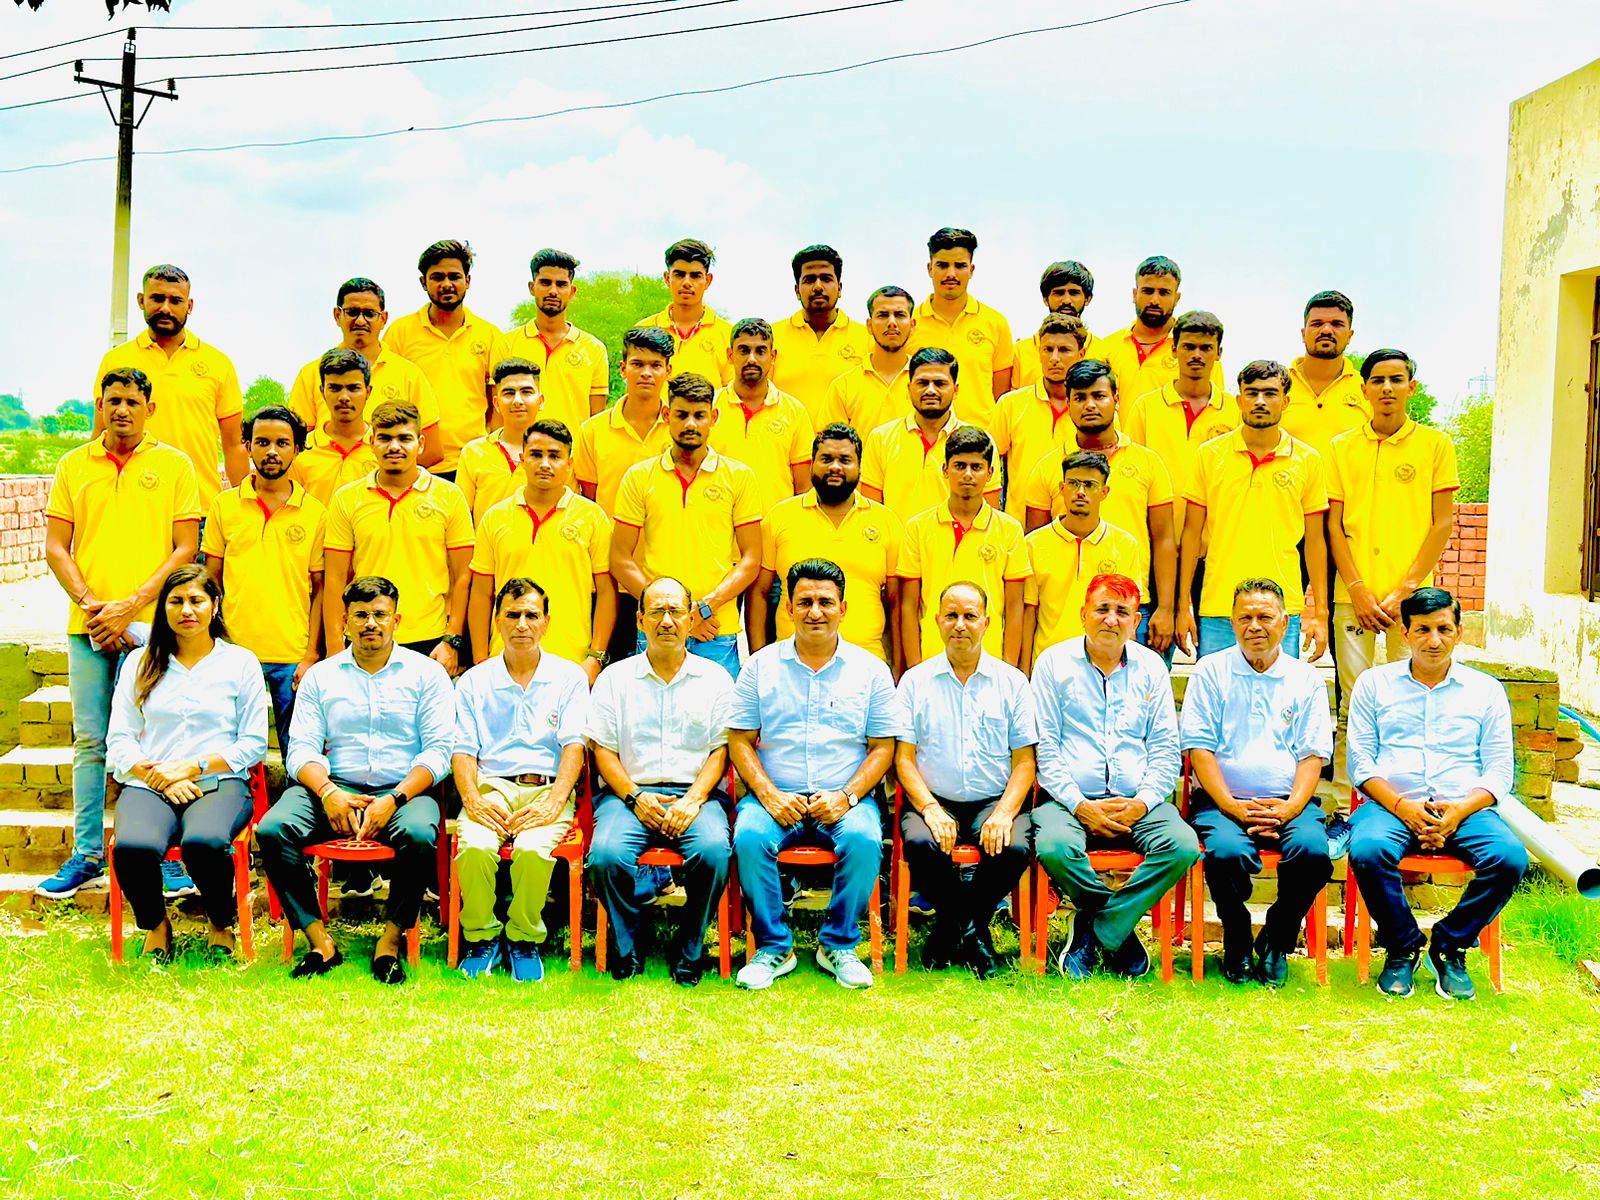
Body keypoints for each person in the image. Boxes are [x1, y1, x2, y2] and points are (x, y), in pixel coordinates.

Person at [38, 367, 201, 901]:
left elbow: (185, 548)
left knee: (163, 738)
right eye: (113, 401)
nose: (122, 410)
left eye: (132, 401)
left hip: (154, 629)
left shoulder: (175, 465)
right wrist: (93, 607)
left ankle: (168, 856)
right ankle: (86, 854)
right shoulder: (73, 465)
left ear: (149, 408)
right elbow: (56, 546)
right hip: (87, 627)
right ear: (100, 406)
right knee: (90, 741)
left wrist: (130, 606)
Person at [258, 576, 455, 984]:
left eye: (380, 614)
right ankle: (320, 942)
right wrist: (328, 791)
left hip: (401, 790)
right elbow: (300, 750)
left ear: (396, 620)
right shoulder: (321, 676)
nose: (370, 623)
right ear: (345, 622)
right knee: (274, 829)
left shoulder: (427, 675)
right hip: (333, 787)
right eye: (361, 615)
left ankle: (390, 943)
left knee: (420, 834)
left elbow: (438, 752)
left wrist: (394, 799)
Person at [729, 558, 910, 990]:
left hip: (845, 798)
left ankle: (838, 945)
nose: (815, 611)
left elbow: (882, 747)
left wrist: (846, 797)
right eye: (805, 601)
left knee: (864, 839)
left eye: (826, 602)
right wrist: (769, 795)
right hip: (776, 797)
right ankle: (774, 947)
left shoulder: (870, 670)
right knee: (749, 837)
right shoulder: (760, 667)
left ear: (843, 609)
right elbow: (740, 740)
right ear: (788, 608)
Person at [1346, 587, 1528, 1001]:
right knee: (1368, 850)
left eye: (1444, 629)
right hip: (1391, 806)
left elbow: (1500, 771)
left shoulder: (1485, 690)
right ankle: (1402, 946)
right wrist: (1403, 807)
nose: (1434, 640)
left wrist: (1459, 811)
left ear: (1459, 633)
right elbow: (1361, 764)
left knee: (1509, 858)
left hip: (1465, 809)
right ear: (1406, 633)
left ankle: (1449, 945)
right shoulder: (1374, 685)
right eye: (1423, 629)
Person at [1031, 572, 1195, 979]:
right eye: (1102, 609)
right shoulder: (1052, 664)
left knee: (1182, 845)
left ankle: (1100, 927)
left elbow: (1165, 750)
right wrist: (1079, 805)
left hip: (1137, 802)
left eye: (1122, 612)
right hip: (1068, 801)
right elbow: (1045, 749)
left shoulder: (1151, 668)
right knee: (1053, 847)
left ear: (1136, 621)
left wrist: (1142, 802)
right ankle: (1118, 927)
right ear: (1083, 614)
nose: (1110, 619)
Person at [104, 565, 268, 961]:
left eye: (196, 600)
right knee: (133, 847)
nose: (186, 610)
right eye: (176, 601)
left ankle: (220, 923)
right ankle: (156, 925)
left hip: (219, 781)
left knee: (204, 843)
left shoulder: (240, 663)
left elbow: (253, 743)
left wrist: (192, 767)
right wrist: (160, 777)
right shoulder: (140, 662)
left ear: (215, 605)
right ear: (163, 608)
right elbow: (119, 740)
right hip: (150, 782)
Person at [1180, 578, 1334, 985]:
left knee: (1313, 853)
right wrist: (1231, 805)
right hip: (1222, 802)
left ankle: (1277, 938)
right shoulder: (1210, 671)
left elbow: (1312, 755)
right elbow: (1200, 750)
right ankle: (1236, 937)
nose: (1254, 626)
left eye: (1265, 617)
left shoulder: (1305, 679)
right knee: (1226, 853)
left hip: (1289, 800)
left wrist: (1291, 807)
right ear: (1232, 623)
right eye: (1245, 617)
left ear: (1285, 623)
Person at [587, 576, 737, 984]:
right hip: (628, 796)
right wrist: (635, 798)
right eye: (656, 612)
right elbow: (603, 750)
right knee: (605, 856)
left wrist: (693, 799)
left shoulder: (716, 679)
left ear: (690, 619)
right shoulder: (615, 679)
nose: (666, 621)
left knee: (713, 852)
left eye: (675, 611)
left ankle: (690, 945)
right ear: (640, 620)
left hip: (696, 796)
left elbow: (721, 751)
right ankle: (629, 941)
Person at [896, 581, 1037, 978]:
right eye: (952, 616)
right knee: (920, 844)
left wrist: (1004, 813)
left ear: (987, 623)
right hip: (932, 798)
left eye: (970, 616)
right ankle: (971, 931)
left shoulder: (1012, 682)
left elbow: (1025, 762)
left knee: (1013, 846)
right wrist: (929, 808)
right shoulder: (915, 682)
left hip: (993, 800)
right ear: (937, 621)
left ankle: (952, 928)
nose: (960, 625)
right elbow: (903, 759)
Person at [452, 578, 589, 984]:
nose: (522, 624)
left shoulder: (569, 677)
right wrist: (473, 799)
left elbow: (574, 747)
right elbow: (463, 750)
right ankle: (481, 938)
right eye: (512, 615)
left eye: (532, 615)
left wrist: (555, 801)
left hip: (548, 787)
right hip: (491, 787)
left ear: (547, 622)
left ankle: (523, 938)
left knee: (531, 850)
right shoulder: (474, 681)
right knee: (475, 846)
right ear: (497, 620)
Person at [1328, 349, 1459, 722]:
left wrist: (1408, 589)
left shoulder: (1435, 445)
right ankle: (1348, 765)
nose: (1387, 388)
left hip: (1415, 602)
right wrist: (1356, 589)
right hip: (1353, 596)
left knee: (1413, 697)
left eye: (1396, 380)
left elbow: (1442, 523)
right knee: (1353, 700)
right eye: (1378, 380)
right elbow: (1334, 524)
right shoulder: (1341, 447)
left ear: (1411, 388)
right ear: (1364, 389)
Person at [1021, 360, 1177, 658]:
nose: (1090, 405)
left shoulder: (1148, 462)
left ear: (1116, 399)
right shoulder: (1048, 468)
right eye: (1080, 397)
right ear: (1068, 403)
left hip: (1130, 606)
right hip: (1061, 612)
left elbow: (1164, 539)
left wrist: (1166, 608)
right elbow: (1037, 545)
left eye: (1099, 396)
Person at [1177, 361, 1330, 661]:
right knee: (1218, 690)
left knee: (1278, 690)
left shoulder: (1308, 459)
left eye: (1270, 393)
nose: (1260, 401)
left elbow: (1315, 541)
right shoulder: (1209, 455)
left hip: (1282, 609)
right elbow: (1191, 533)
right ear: (1239, 400)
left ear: (1286, 401)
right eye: (1252, 393)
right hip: (1219, 606)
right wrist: (1184, 606)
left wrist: (1320, 614)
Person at [612, 374, 761, 678]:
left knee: (718, 710)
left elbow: (751, 558)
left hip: (715, 629)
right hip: (656, 628)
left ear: (713, 417)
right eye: (681, 415)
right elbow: (620, 558)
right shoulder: (639, 477)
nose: (690, 424)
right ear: (667, 415)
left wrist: (703, 608)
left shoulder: (739, 477)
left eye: (699, 415)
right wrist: (669, 611)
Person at [203, 405, 327, 751]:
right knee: (231, 749)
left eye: (282, 443)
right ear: (247, 446)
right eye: (262, 442)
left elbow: (320, 589)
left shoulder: (315, 512)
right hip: (234, 652)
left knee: (298, 749)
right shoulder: (224, 506)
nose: (272, 451)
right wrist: (213, 645)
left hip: (293, 656)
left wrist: (311, 655)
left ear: (297, 448)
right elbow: (210, 581)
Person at [323, 401, 474, 674]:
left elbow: (463, 574)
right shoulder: (346, 498)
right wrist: (335, 647)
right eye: (385, 438)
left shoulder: (450, 496)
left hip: (429, 639)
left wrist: (452, 640)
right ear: (372, 442)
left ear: (421, 443)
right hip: (364, 636)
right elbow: (334, 577)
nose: (394, 447)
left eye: (404, 438)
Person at [469, 419, 615, 682]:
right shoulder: (494, 517)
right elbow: (481, 592)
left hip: (572, 663)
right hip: (505, 661)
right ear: (522, 459)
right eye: (536, 455)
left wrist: (596, 657)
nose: (545, 463)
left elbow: (606, 592)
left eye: (555, 456)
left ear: (569, 463)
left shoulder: (592, 517)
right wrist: (481, 659)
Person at [93, 264, 247, 511]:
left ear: (189, 306)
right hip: (131, 507)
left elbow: (234, 446)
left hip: (198, 507)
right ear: (141, 300)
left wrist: (244, 507)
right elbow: (100, 437)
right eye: (157, 298)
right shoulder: (115, 361)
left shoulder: (218, 364)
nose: (165, 308)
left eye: (175, 300)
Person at [749, 423, 903, 665]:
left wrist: (898, 669)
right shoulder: (780, 517)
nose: (835, 467)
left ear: (860, 467)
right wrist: (758, 661)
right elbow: (759, 593)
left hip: (866, 665)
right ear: (812, 463)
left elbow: (895, 602)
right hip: (790, 666)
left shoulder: (886, 521)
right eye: (826, 459)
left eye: (845, 460)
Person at [899, 427, 1030, 669]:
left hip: (990, 662)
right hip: (932, 660)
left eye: (976, 467)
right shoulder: (917, 527)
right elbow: (909, 605)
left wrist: (1009, 669)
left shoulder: (1009, 530)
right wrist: (915, 668)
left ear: (990, 473)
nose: (968, 474)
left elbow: (1014, 607)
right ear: (945, 470)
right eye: (960, 466)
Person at [284, 277, 443, 467]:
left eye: (369, 313)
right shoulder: (312, 374)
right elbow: (295, 444)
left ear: (383, 319)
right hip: (323, 483)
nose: (360, 321)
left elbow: (432, 449)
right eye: (352, 312)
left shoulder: (409, 375)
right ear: (337, 315)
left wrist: (389, 477)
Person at [1121, 310, 1239, 549]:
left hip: (1216, 545)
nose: (1197, 355)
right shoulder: (1146, 407)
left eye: (1206, 348)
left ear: (1219, 353)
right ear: (1174, 349)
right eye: (1189, 347)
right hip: (1154, 542)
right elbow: (1131, 477)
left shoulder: (1235, 411)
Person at [383, 239, 501, 478]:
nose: (447, 284)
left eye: (454, 277)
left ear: (468, 281)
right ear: (423, 283)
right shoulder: (400, 333)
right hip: (414, 464)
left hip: (473, 464)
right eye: (437, 277)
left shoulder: (490, 335)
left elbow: (497, 404)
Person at [1022, 451, 1141, 670]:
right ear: (1062, 488)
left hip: (1103, 665)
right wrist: (1024, 673)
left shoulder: (1125, 545)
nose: (1080, 492)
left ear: (1104, 492)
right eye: (1073, 484)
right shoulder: (1033, 544)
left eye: (1089, 485)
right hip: (1050, 666)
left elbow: (1127, 613)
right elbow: (1029, 615)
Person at [861, 348, 999, 524]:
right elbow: (872, 515)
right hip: (897, 542)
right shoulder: (881, 439)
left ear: (955, 390)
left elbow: (989, 519)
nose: (931, 390)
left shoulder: (982, 443)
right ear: (909, 388)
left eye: (940, 383)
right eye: (922, 383)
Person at [490, 248, 609, 433]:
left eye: (561, 284)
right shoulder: (506, 344)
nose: (553, 291)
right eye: (545, 283)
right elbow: (498, 418)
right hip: (520, 450)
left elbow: (597, 423)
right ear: (532, 287)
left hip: (573, 451)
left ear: (572, 291)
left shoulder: (594, 349)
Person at [909, 227, 1014, 427]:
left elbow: (1001, 396)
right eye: (942, 265)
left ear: (971, 270)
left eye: (959, 266)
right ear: (930, 268)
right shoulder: (909, 324)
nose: (951, 274)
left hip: (979, 437)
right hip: (921, 437)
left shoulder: (995, 323)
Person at [708, 317, 814, 514]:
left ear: (772, 356)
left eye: (760, 351)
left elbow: (804, 488)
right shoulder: (707, 408)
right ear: (730, 355)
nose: (752, 359)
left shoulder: (794, 411)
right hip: (717, 525)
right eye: (743, 350)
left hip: (775, 526)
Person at [990, 311, 1089, 520]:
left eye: (1064, 350)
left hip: (1076, 527)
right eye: (1048, 349)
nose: (1054, 358)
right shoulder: (1011, 405)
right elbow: (987, 464)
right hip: (1019, 527)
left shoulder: (1093, 411)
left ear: (1081, 354)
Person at [575, 326, 674, 517]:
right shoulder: (592, 431)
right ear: (623, 369)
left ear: (668, 371)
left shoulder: (680, 429)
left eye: (656, 365)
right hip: (610, 535)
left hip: (666, 535)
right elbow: (589, 499)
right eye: (637, 364)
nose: (646, 373)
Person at [1100, 256, 1226, 401]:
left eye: (1164, 292)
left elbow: (1214, 409)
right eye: (1148, 291)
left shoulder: (1199, 351)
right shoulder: (1108, 348)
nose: (1154, 300)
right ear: (1135, 295)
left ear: (1177, 298)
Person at [770, 244, 872, 417]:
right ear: (797, 290)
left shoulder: (866, 338)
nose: (818, 286)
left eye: (826, 278)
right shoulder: (772, 337)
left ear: (840, 288)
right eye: (809, 280)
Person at [455, 357, 543, 524]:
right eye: (509, 393)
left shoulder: (556, 454)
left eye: (526, 392)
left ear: (541, 401)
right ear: (496, 403)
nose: (517, 401)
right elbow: (460, 517)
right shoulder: (474, 453)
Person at [1284, 290, 1368, 463]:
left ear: (1350, 335)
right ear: (1303, 333)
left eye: (1337, 324)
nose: (1327, 330)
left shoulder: (1369, 391)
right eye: (1317, 323)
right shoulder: (1274, 387)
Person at [819, 285, 916, 436]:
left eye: (900, 315)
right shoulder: (843, 387)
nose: (892, 322)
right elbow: (831, 446)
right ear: (869, 326)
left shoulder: (927, 384)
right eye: (883, 315)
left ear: (912, 325)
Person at [288, 350, 381, 505]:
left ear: (368, 392)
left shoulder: (383, 448)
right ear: (322, 391)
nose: (344, 397)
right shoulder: (301, 451)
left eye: (353, 388)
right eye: (335, 388)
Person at [635, 238, 731, 385]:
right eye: (679, 274)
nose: (687, 282)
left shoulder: (728, 336)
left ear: (708, 280)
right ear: (667, 278)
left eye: (695, 276)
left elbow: (732, 393)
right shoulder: (643, 331)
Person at [1011, 261, 1105, 387]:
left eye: (1074, 293)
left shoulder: (1104, 351)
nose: (1066, 300)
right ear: (1045, 299)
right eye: (1059, 293)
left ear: (1087, 298)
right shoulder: (1021, 351)